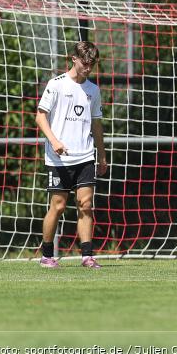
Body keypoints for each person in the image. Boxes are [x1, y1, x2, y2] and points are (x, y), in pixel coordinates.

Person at [36, 41, 108, 269]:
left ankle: (87, 256)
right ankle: (47, 255)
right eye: (85, 63)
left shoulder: (93, 90)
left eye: (92, 64)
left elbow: (96, 124)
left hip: (85, 155)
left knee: (85, 204)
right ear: (73, 59)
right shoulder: (56, 85)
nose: (88, 68)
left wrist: (102, 155)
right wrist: (55, 141)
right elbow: (40, 116)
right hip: (58, 158)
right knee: (58, 206)